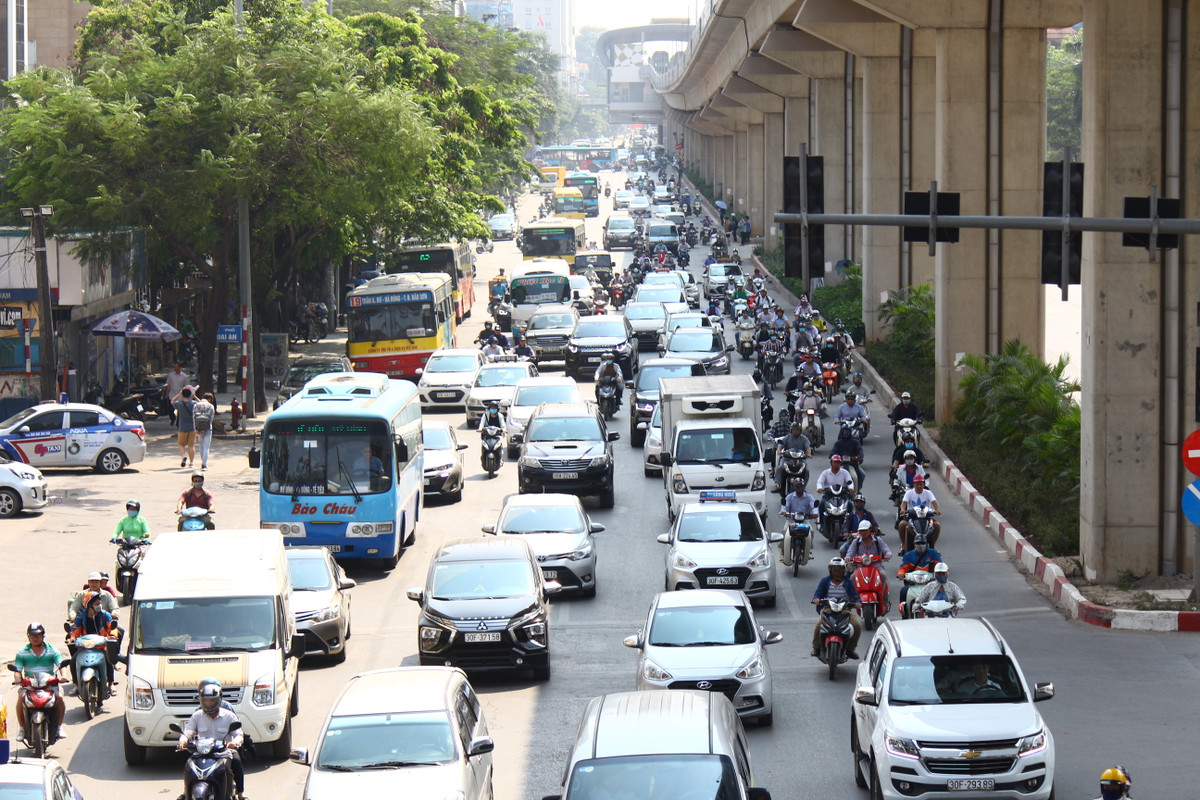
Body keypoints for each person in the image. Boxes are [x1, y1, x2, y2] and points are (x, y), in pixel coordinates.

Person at [179, 680, 246, 800]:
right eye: (205, 700)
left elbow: (239, 734)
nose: (209, 703)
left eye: (212, 700)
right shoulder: (197, 716)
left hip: (224, 752)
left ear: (219, 699)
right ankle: (186, 793)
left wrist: (234, 743)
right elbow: (188, 731)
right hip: (201, 752)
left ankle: (239, 794)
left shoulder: (229, 716)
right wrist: (183, 740)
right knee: (188, 766)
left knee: (235, 762)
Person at [13, 622, 66, 742]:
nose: (35, 638)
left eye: (38, 635)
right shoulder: (22, 652)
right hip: (30, 685)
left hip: (49, 684)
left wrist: (63, 676)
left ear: (43, 636)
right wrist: (17, 679)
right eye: (32, 636)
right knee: (21, 698)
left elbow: (61, 665)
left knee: (61, 698)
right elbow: (17, 670)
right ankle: (21, 728)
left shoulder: (52, 650)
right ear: (28, 637)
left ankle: (59, 727)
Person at [811, 558, 862, 659]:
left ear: (843, 571)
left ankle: (850, 649)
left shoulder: (847, 582)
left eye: (839, 570)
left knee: (857, 625)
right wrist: (816, 599)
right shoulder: (825, 581)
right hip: (828, 609)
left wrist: (858, 602)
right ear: (831, 571)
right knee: (819, 625)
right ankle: (816, 648)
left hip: (844, 610)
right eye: (835, 570)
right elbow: (818, 593)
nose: (837, 573)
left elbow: (855, 595)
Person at [66, 591, 118, 687]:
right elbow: (75, 630)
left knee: (108, 660)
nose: (99, 606)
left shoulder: (105, 615)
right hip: (85, 646)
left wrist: (112, 636)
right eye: (97, 604)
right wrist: (72, 638)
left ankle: (111, 684)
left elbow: (112, 627)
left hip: (101, 645)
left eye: (100, 603)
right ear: (89, 605)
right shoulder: (81, 617)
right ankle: (76, 685)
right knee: (73, 661)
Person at [779, 478, 818, 565]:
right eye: (797, 486)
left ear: (804, 486)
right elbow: (784, 506)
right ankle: (782, 551)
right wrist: (784, 512)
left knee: (811, 531)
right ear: (794, 487)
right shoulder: (789, 497)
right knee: (784, 531)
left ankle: (808, 550)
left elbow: (814, 507)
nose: (799, 487)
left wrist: (815, 514)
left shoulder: (809, 497)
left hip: (804, 521)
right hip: (791, 521)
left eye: (801, 486)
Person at [896, 535, 942, 607]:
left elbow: (940, 565)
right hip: (913, 582)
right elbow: (903, 568)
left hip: (929, 581)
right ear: (914, 544)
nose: (920, 545)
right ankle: (904, 613)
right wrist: (901, 574)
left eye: (923, 543)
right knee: (903, 591)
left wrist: (940, 572)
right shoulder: (908, 555)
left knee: (940, 591)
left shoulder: (933, 553)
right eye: (918, 543)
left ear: (927, 544)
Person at [898, 475, 941, 550]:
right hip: (912, 516)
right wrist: (902, 510)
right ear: (914, 484)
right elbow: (903, 503)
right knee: (902, 524)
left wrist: (937, 510)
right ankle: (904, 545)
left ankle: (932, 545)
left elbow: (934, 503)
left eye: (921, 484)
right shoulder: (909, 493)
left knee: (937, 525)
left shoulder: (928, 493)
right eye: (917, 484)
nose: (919, 486)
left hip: (926, 516)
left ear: (924, 484)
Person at [815, 454, 855, 525]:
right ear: (831, 462)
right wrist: (819, 488)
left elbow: (850, 482)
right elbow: (820, 482)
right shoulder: (826, 473)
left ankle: (850, 523)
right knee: (821, 504)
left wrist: (851, 488)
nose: (837, 464)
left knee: (850, 504)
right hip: (829, 495)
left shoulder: (845, 472)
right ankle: (821, 523)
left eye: (838, 462)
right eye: (835, 462)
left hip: (842, 495)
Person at [830, 423, 866, 489]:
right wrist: (832, 456)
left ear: (850, 432)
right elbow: (833, 451)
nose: (845, 433)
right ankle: (832, 489)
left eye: (847, 431)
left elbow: (860, 450)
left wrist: (860, 458)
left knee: (862, 475)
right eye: (844, 431)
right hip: (839, 464)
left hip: (853, 464)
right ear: (841, 432)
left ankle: (858, 489)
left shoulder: (855, 442)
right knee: (830, 475)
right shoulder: (838, 443)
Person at [173, 386, 198, 468]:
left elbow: (172, 401)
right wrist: (194, 396)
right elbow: (201, 403)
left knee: (181, 444)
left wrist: (179, 394)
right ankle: (191, 463)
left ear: (182, 395)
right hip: (192, 427)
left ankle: (183, 456)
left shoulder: (179, 404)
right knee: (191, 446)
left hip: (182, 427)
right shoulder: (194, 404)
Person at [192, 392, 216, 470]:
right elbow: (211, 419)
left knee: (201, 445)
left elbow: (194, 418)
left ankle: (203, 461)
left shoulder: (196, 405)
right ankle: (204, 464)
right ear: (210, 399)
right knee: (206, 446)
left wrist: (195, 429)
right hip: (207, 428)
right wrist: (207, 427)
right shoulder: (211, 406)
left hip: (198, 427)